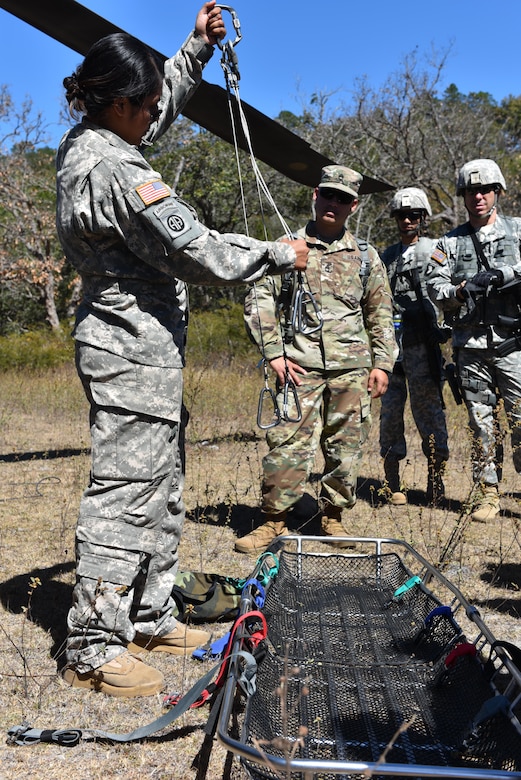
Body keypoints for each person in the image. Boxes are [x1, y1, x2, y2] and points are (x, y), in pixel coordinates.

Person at [56, 2, 309, 698]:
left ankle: (147, 611)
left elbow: (157, 109)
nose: (153, 114)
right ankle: (95, 644)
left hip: (146, 352)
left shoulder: (106, 136)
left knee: (161, 484)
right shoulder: (115, 171)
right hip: (125, 350)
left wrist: (195, 48)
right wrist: (277, 254)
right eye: (144, 105)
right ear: (115, 103)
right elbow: (196, 251)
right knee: (125, 491)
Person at [236, 165, 395, 554]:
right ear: (315, 195)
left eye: (343, 198)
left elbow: (381, 313)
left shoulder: (366, 257)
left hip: (352, 369)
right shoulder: (287, 248)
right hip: (299, 366)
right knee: (287, 443)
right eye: (328, 194)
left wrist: (382, 363)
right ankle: (274, 522)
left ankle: (332, 518)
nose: (333, 203)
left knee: (346, 446)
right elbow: (259, 299)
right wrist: (273, 353)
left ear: (353, 206)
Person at [427, 159, 521, 523]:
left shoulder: (516, 231)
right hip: (470, 348)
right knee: (481, 423)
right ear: (463, 196)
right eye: (470, 191)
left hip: (514, 345)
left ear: (497, 192)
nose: (478, 197)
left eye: (484, 190)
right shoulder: (448, 243)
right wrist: (460, 291)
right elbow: (434, 286)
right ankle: (487, 492)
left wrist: (503, 275)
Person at [379, 187, 449, 506]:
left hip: (423, 345)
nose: (407, 220)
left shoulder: (435, 250)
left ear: (422, 219)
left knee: (429, 414)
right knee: (391, 413)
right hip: (392, 347)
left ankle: (436, 478)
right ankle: (392, 481)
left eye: (413, 215)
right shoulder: (387, 256)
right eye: (401, 216)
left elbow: (447, 293)